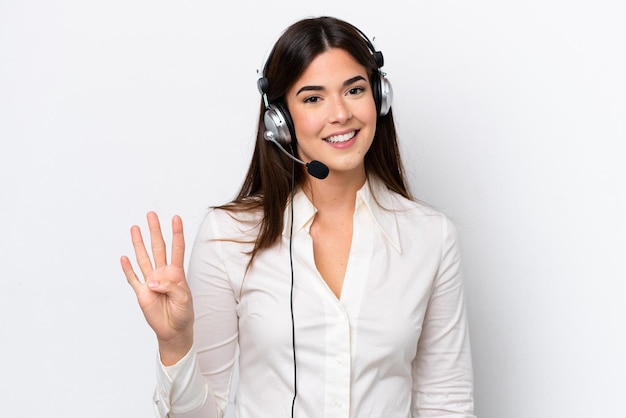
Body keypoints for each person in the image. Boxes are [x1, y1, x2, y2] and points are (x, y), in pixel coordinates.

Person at [121, 16, 475, 418]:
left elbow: (446, 404)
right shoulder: (229, 237)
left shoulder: (430, 237)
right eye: (312, 98)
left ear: (380, 96)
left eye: (355, 90)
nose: (340, 114)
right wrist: (175, 344)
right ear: (280, 122)